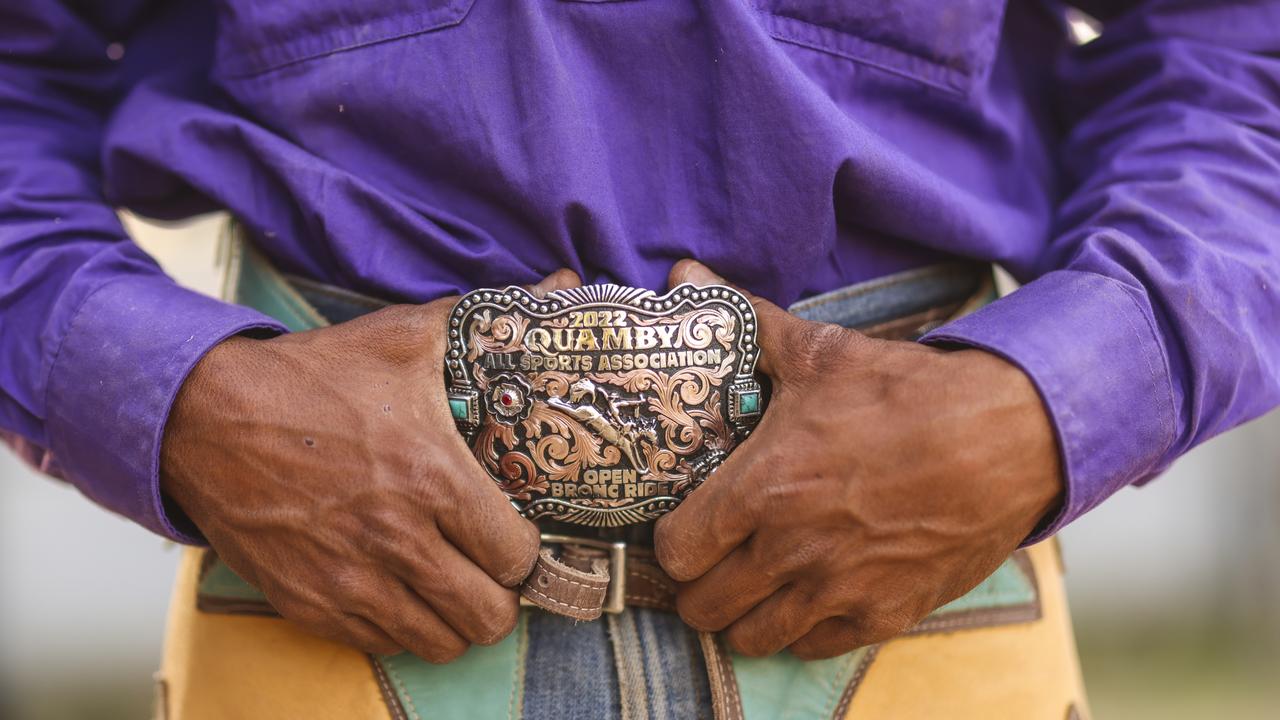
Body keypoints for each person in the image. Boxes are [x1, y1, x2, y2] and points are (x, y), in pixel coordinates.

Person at [2, 1, 1278, 718]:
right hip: (342, 598)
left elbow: (1241, 49)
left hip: (905, 599)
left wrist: (1050, 401)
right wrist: (184, 405)